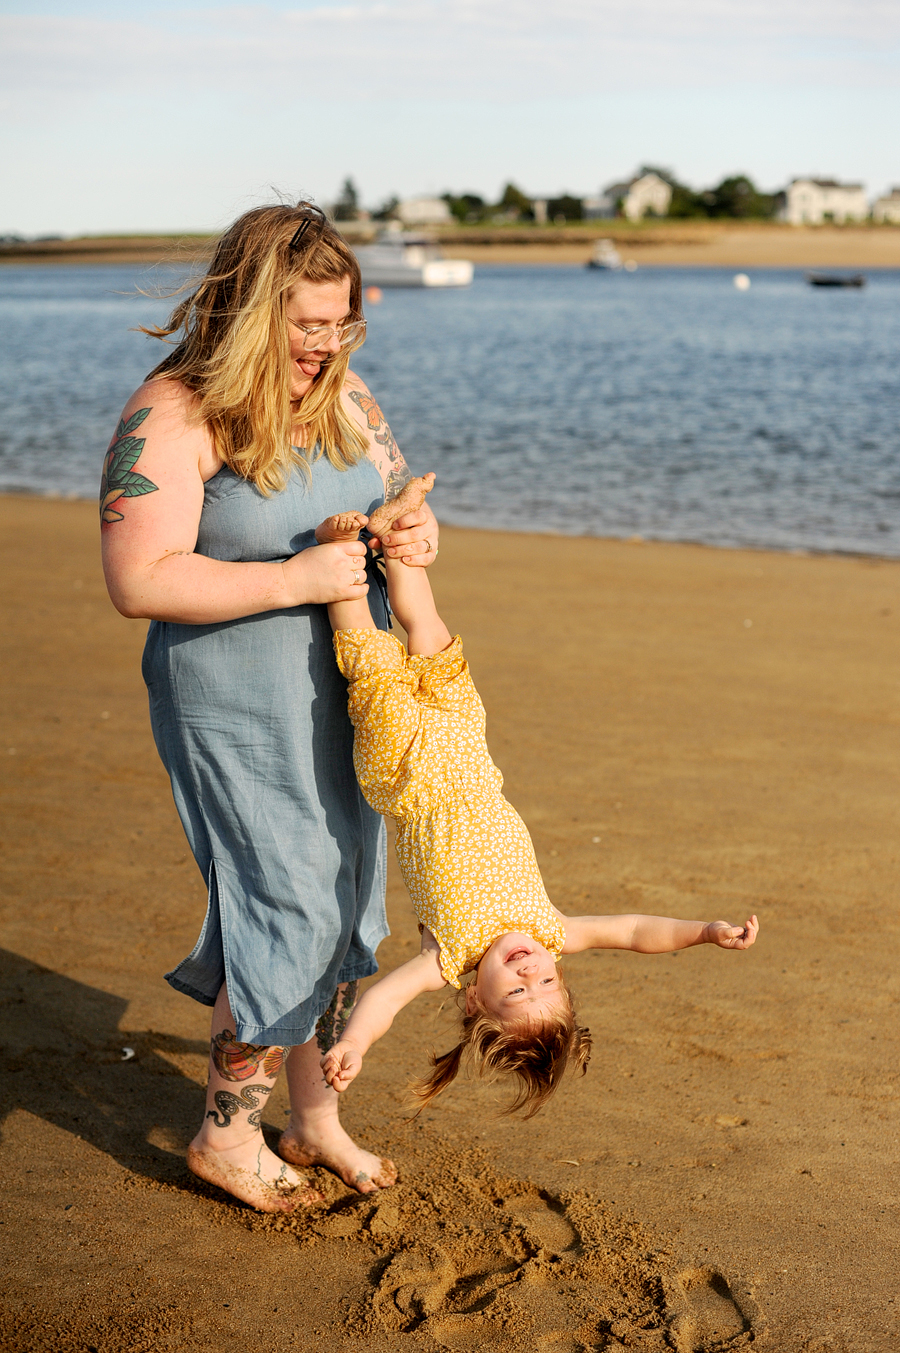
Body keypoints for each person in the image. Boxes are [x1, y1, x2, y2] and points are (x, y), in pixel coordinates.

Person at [100, 201, 439, 1213]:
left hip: (348, 687)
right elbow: (139, 578)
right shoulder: (173, 412)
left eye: (344, 325)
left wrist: (410, 540)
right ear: (248, 310)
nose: (325, 347)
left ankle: (316, 1117)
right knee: (284, 903)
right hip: (233, 700)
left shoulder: (350, 399)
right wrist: (297, 581)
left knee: (348, 901)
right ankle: (223, 1137)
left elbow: (388, 513)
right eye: (305, 325)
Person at [313, 477, 759, 1117]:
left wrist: (354, 1043)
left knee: (372, 663)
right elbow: (635, 931)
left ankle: (343, 562)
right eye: (547, 982)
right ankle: (397, 539)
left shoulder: (448, 954)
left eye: (516, 992)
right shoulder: (551, 931)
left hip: (407, 770)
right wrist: (706, 933)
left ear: (474, 1000)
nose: (530, 973)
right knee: (431, 636)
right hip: (465, 741)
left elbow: (383, 1000)